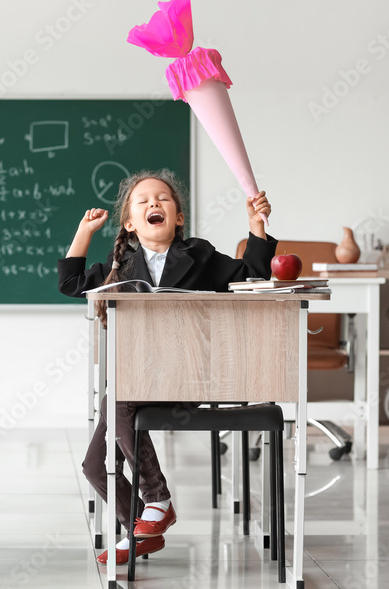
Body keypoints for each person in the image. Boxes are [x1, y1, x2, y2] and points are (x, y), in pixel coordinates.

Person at [57, 169, 275, 564]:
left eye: (163, 199)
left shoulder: (200, 254)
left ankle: (157, 499)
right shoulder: (119, 264)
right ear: (130, 223)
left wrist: (256, 227)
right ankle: (141, 531)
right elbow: (71, 284)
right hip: (138, 378)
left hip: (188, 376)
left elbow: (253, 277)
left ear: (178, 218)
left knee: (119, 397)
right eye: (142, 201)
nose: (153, 203)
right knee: (93, 466)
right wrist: (84, 233)